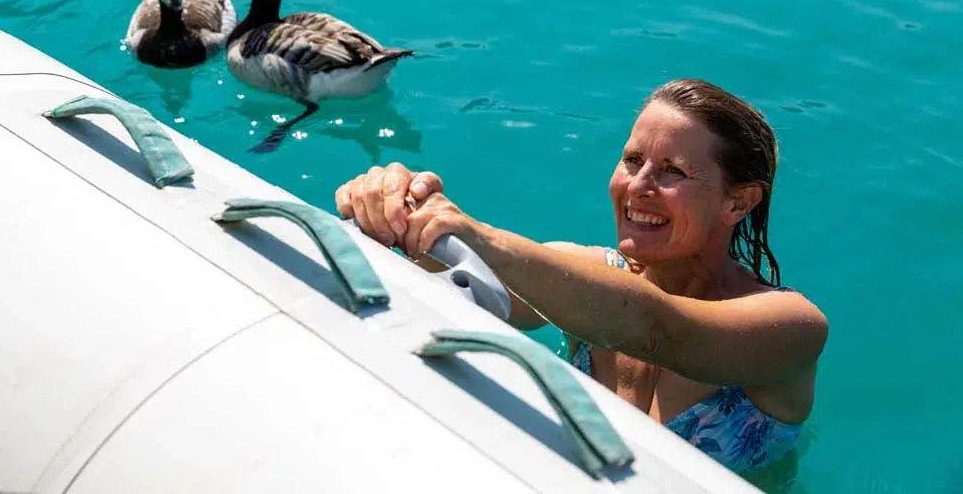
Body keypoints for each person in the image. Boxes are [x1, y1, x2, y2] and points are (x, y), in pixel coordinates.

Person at [334, 78, 828, 474]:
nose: (638, 186)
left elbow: (657, 328)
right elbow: (449, 273)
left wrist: (474, 232)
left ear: (737, 202)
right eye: (632, 160)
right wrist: (395, 213)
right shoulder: (585, 275)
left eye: (672, 170)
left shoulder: (792, 328)